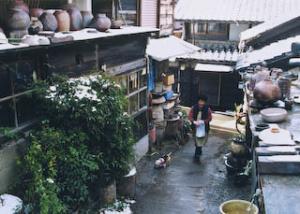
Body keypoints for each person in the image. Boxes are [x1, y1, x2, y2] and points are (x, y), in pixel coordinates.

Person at [188, 94, 212, 161]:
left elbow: (209, 118)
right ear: (198, 101)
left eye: (203, 101)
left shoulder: (208, 109)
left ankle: (197, 153)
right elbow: (190, 116)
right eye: (200, 101)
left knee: (201, 140)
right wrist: (194, 121)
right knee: (196, 140)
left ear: (205, 102)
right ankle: (198, 150)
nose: (201, 103)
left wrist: (203, 122)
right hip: (195, 127)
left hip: (204, 127)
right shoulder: (194, 108)